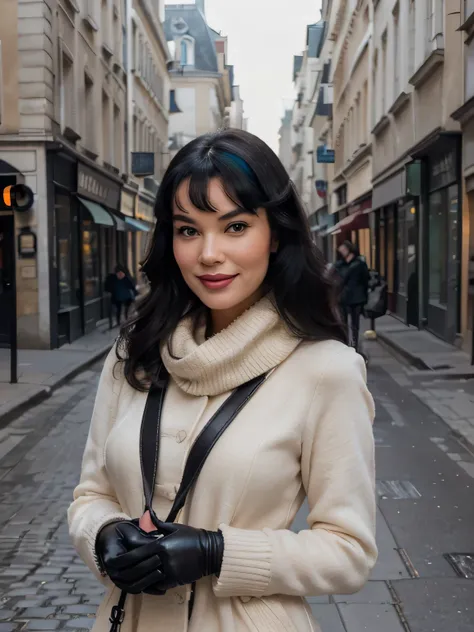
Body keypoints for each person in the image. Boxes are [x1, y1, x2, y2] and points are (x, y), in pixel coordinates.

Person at [68, 129, 377, 632]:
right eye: (189, 230)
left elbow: (350, 552)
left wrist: (217, 552)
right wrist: (102, 534)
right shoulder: (136, 352)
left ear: (274, 233)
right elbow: (90, 494)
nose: (208, 253)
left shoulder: (326, 370)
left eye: (234, 226)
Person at [337, 241, 370, 351]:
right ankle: (346, 345)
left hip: (356, 297)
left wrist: (364, 295)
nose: (342, 252)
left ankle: (354, 345)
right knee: (344, 323)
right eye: (340, 251)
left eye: (343, 250)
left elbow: (366, 279)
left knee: (355, 324)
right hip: (344, 297)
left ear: (349, 250)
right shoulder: (340, 264)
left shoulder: (359, 264)